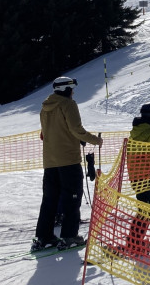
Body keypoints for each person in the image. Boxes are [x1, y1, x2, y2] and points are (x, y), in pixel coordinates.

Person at [32, 76, 104, 253]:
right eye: (72, 89)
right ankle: (69, 236)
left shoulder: (45, 108)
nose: (73, 93)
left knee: (49, 200)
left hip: (50, 162)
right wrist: (95, 140)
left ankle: (44, 237)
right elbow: (76, 129)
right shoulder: (68, 105)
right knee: (72, 198)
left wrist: (74, 138)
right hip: (68, 161)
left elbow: (49, 133)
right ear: (67, 89)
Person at [126, 103, 150, 253]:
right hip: (146, 173)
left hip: (137, 174)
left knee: (144, 208)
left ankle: (135, 241)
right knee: (145, 210)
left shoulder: (137, 129)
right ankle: (134, 243)